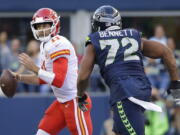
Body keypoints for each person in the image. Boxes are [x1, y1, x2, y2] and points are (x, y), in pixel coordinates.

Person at [77, 5, 180, 135]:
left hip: (125, 93)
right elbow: (166, 52)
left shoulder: (95, 40)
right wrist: (175, 83)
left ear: (97, 24)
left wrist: (80, 95)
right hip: (142, 89)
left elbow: (83, 77)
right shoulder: (132, 35)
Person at [11, 8, 92, 135]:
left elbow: (58, 81)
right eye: (39, 26)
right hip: (61, 102)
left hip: (75, 101)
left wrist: (34, 68)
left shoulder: (59, 43)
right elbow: (43, 78)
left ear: (54, 24)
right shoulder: (45, 45)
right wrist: (19, 77)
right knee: (42, 133)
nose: (42, 29)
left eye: (45, 25)